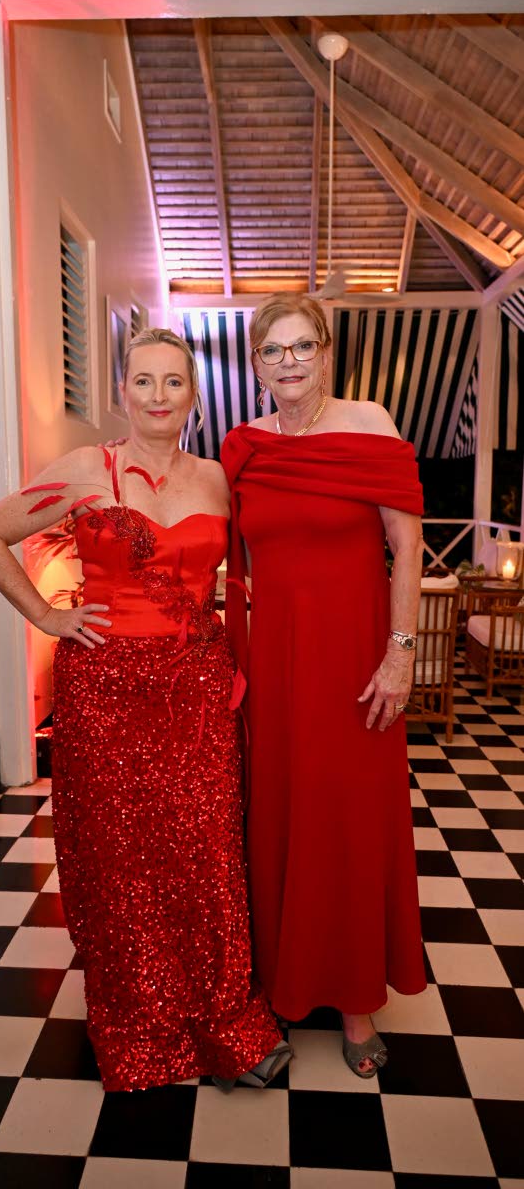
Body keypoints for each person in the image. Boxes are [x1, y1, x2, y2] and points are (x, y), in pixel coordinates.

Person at [0, 327, 289, 1092]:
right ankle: (139, 1020)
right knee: (119, 862)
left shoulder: (218, 477)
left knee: (205, 855)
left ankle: (222, 1019)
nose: (157, 397)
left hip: (196, 687)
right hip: (104, 690)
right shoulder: (86, 469)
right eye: (142, 382)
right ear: (122, 391)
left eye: (173, 382)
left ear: (193, 394)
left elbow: (266, 559)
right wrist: (47, 619)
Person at [221, 292, 426, 1078]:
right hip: (271, 667)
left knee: (345, 820)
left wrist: (399, 654)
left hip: (353, 666)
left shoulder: (369, 425)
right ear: (255, 364)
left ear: (328, 350)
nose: (289, 363)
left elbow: (405, 547)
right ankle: (282, 979)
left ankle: (353, 1002)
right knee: (276, 813)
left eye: (302, 346)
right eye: (272, 351)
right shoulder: (242, 448)